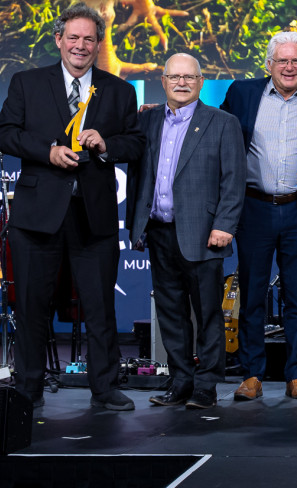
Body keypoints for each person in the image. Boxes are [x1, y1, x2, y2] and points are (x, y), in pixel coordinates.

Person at [0, 3, 146, 411]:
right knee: (31, 306)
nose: (80, 45)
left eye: (89, 39)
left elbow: (135, 143)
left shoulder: (120, 91)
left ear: (98, 44)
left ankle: (105, 387)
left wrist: (106, 144)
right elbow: (4, 134)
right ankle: (28, 389)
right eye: (73, 37)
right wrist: (47, 151)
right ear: (59, 40)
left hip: (93, 217)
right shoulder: (27, 83)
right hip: (37, 215)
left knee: (100, 307)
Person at [126, 53, 246, 410]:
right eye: (175, 77)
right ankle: (180, 381)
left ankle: (206, 385)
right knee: (170, 313)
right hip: (159, 231)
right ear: (163, 81)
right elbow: (137, 173)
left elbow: (234, 179)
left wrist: (224, 225)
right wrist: (136, 225)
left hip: (205, 233)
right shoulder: (146, 120)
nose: (181, 83)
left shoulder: (223, 122)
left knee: (208, 314)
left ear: (201, 82)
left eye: (189, 77)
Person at [220, 31, 297, 401]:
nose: (289, 67)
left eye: (296, 61)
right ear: (269, 64)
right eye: (282, 60)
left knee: (296, 298)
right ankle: (252, 374)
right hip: (253, 208)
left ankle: (296, 374)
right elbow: (216, 132)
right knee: (252, 296)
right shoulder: (242, 93)